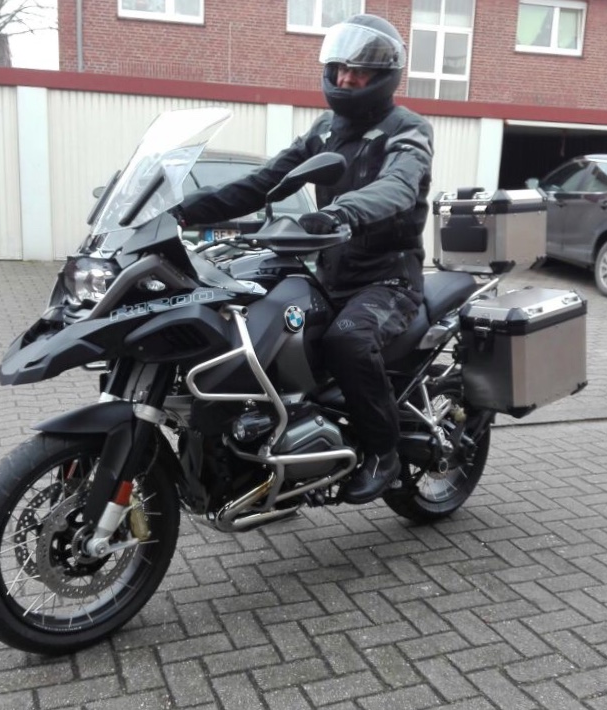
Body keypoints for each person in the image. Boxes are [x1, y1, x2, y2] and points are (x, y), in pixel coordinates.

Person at [174, 14, 434, 504]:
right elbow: (264, 182)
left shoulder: (407, 130)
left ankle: (384, 452)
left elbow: (399, 186)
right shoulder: (326, 130)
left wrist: (340, 212)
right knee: (251, 327)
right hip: (330, 275)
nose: (346, 79)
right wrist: (182, 210)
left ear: (384, 76)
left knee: (349, 340)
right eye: (340, 69)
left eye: (358, 71)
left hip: (387, 279)